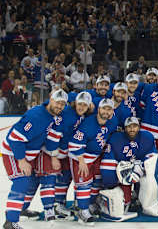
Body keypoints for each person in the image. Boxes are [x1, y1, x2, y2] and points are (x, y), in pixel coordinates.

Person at [1, 89, 68, 229]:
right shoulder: (36, 116)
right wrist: (21, 160)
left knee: (30, 183)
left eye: (63, 104)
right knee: (22, 181)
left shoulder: (52, 115)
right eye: (58, 102)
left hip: (28, 154)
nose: (60, 106)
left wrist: (53, 155)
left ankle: (21, 209)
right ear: (51, 99)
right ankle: (10, 221)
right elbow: (15, 138)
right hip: (14, 153)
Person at [68, 98, 116, 225]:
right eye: (104, 108)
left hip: (95, 158)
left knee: (97, 181)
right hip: (80, 157)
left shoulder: (111, 122)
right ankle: (83, 211)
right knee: (84, 183)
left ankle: (88, 205)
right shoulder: (88, 123)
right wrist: (81, 161)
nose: (106, 111)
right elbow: (74, 144)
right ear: (99, 109)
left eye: (109, 109)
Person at [53, 92, 93, 219]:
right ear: (75, 103)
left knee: (68, 177)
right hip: (58, 152)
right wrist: (54, 155)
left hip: (67, 153)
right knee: (62, 179)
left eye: (84, 105)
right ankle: (57, 205)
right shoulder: (67, 114)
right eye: (79, 104)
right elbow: (53, 135)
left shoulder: (80, 115)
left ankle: (64, 203)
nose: (81, 107)